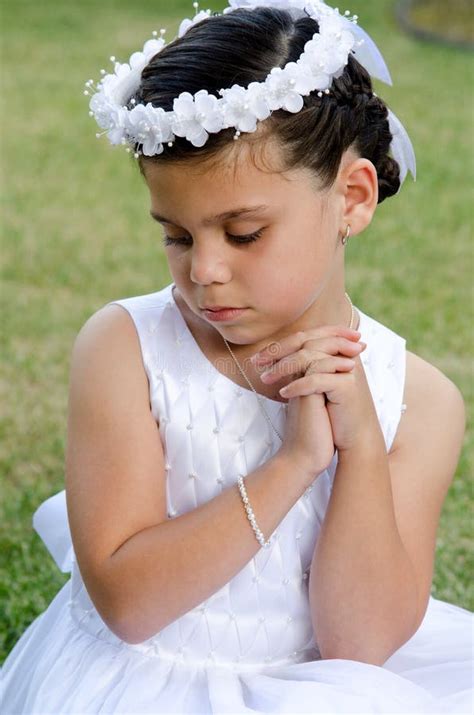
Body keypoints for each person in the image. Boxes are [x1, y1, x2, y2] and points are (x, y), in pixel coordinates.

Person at [1, 1, 472, 713]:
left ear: (352, 198)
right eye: (178, 236)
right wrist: (294, 464)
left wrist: (362, 449)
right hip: (141, 682)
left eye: (244, 233)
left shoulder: (423, 403)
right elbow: (128, 604)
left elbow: (362, 646)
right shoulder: (126, 349)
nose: (204, 271)